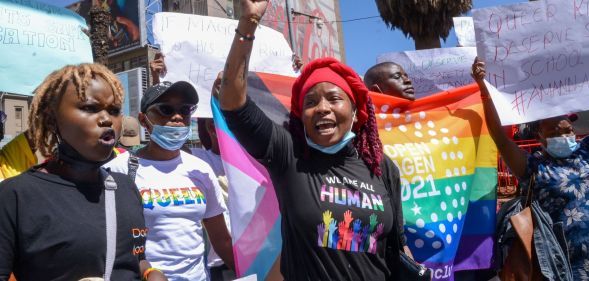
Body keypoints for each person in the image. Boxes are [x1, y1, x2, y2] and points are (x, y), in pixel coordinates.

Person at [218, 1, 408, 279]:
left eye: (334, 99)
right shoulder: (290, 155)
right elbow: (233, 103)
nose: (322, 108)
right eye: (310, 102)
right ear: (301, 116)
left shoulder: (381, 167)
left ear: (356, 113)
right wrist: (248, 22)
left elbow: (397, 246)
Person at [0, 64, 165, 281]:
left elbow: (134, 257)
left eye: (114, 111)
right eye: (90, 108)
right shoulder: (15, 195)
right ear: (52, 119)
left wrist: (150, 272)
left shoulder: (126, 188)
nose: (107, 119)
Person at [104, 80, 234, 281]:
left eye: (185, 110)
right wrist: (147, 273)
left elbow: (222, 240)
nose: (177, 117)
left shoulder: (200, 169)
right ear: (143, 119)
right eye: (165, 109)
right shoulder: (117, 170)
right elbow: (108, 242)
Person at [473, 57, 588, 279]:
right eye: (555, 133)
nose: (565, 137)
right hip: (559, 265)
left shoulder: (585, 152)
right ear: (539, 136)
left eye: (568, 131)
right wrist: (484, 90)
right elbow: (500, 138)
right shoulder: (534, 166)